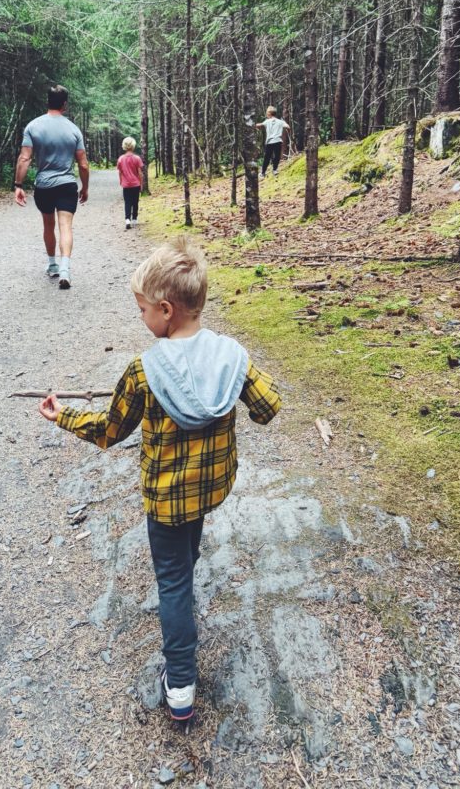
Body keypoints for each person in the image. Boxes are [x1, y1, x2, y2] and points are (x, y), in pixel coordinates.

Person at [38, 237, 281, 723]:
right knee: (185, 553)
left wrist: (63, 417)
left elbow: (109, 431)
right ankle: (186, 574)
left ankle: (181, 688)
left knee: (171, 585)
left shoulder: (144, 372)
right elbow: (268, 408)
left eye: (143, 309)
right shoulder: (232, 356)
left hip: (168, 500)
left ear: (166, 310)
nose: (142, 318)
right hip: (210, 487)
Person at [13, 85, 89, 290]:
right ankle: (65, 269)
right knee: (66, 226)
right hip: (66, 184)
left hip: (44, 186)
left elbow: (24, 157)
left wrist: (18, 185)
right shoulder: (73, 129)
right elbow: (83, 163)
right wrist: (85, 188)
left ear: (48, 101)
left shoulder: (33, 126)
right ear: (65, 104)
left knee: (48, 225)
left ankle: (52, 265)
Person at [116, 136, 144, 230]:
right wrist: (141, 184)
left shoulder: (120, 159)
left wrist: (121, 181)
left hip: (126, 185)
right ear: (133, 146)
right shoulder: (137, 158)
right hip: (136, 184)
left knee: (127, 202)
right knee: (135, 202)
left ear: (124, 146)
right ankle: (134, 219)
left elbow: (120, 172)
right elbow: (140, 173)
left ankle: (127, 219)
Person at [256, 106, 290, 177]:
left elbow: (260, 125)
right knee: (277, 156)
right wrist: (283, 125)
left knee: (267, 157)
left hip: (269, 142)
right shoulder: (280, 121)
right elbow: (288, 127)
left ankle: (263, 173)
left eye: (267, 113)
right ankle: (275, 170)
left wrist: (255, 125)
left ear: (269, 113)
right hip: (278, 141)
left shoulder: (267, 121)